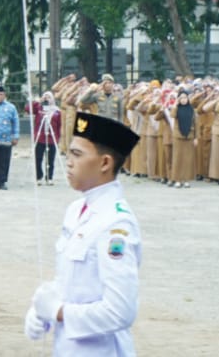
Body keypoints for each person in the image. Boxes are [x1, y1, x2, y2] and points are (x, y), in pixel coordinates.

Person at [24, 111, 142, 355]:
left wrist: (59, 312)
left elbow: (120, 311)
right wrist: (41, 310)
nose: (68, 161)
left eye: (77, 154)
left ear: (105, 163)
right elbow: (73, 280)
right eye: (69, 153)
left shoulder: (115, 224)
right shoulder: (77, 209)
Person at [30, 92, 62, 185]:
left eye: (49, 97)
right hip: (40, 138)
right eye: (45, 97)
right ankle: (38, 177)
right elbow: (28, 109)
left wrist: (58, 138)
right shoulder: (39, 109)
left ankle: (49, 177)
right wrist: (38, 102)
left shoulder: (57, 111)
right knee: (38, 158)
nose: (47, 99)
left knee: (50, 160)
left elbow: (59, 125)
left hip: (51, 138)